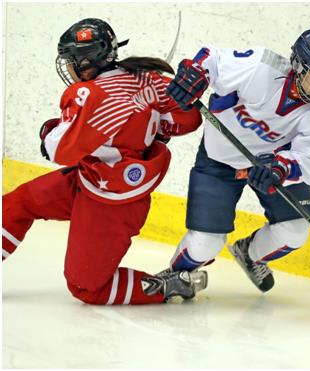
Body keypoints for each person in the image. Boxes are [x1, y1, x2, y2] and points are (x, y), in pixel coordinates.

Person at [2, 18, 207, 305]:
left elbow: (60, 149)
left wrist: (49, 131)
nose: (68, 67)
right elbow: (188, 120)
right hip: (94, 178)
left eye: (71, 60)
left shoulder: (91, 93)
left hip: (110, 202)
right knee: (20, 202)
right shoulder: (143, 76)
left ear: (87, 61)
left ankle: (168, 286)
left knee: (86, 287)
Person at [165, 29, 310, 292]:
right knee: (205, 244)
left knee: (294, 232)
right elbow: (212, 59)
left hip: (270, 166)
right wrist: (197, 73)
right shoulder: (261, 66)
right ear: (298, 67)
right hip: (220, 159)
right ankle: (174, 277)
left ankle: (248, 253)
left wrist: (281, 167)